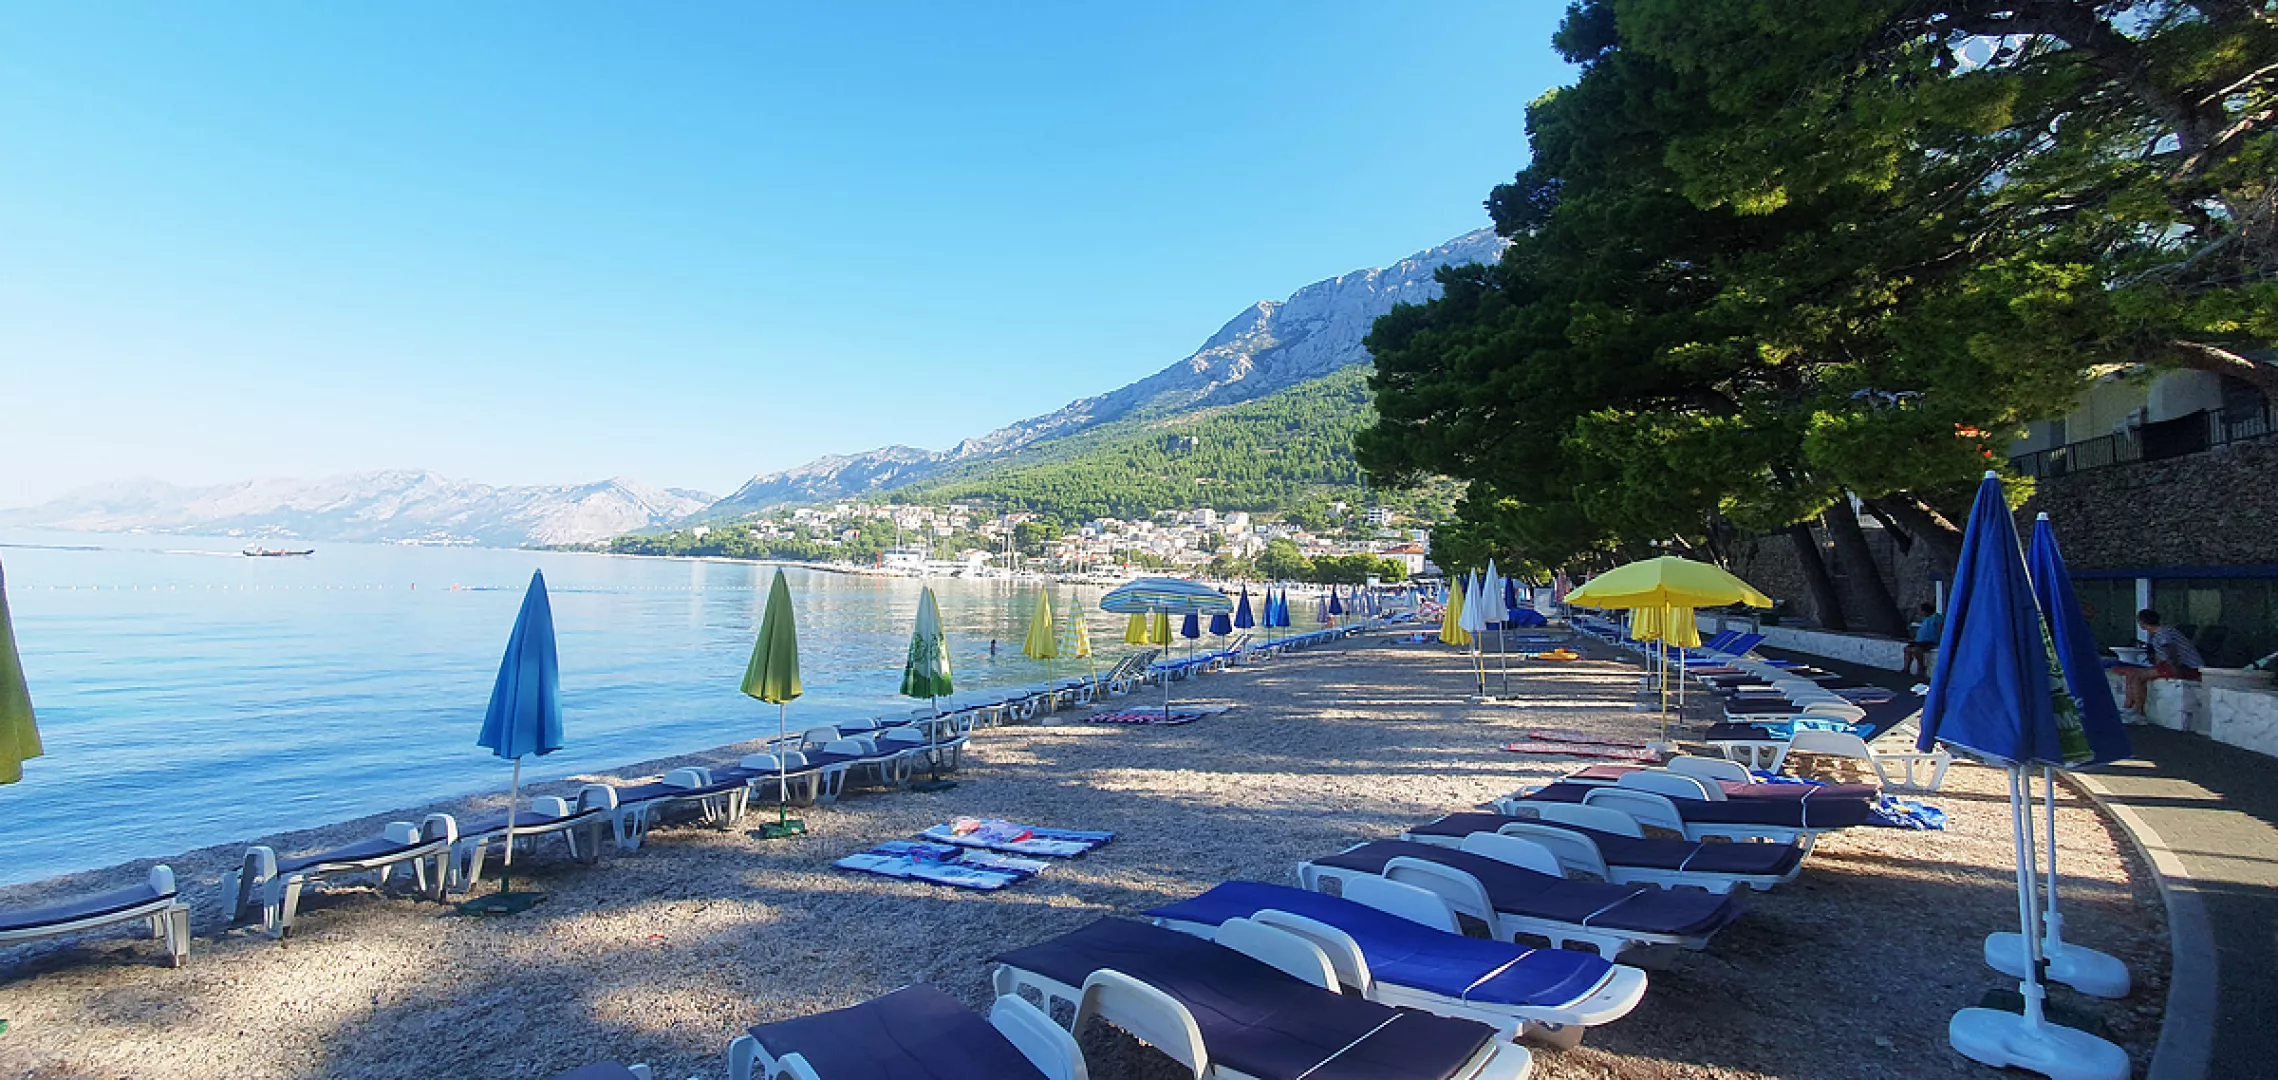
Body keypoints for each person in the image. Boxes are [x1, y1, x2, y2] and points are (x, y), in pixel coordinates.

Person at [2118, 608, 2203, 717]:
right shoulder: (2161, 633)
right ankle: (2128, 706)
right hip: (2175, 665)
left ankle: (2139, 712)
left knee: (2138, 677)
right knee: (2132, 674)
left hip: (2187, 667)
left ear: (2143, 622)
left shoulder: (2163, 633)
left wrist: (2176, 670)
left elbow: (2170, 651)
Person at [1901, 602, 1942, 677]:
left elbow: (1940, 629)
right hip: (1920, 641)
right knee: (1907, 649)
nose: (1921, 613)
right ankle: (1906, 668)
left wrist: (1939, 640)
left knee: (1916, 650)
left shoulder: (1936, 617)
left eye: (1922, 611)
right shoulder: (1925, 619)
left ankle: (1921, 667)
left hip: (1929, 641)